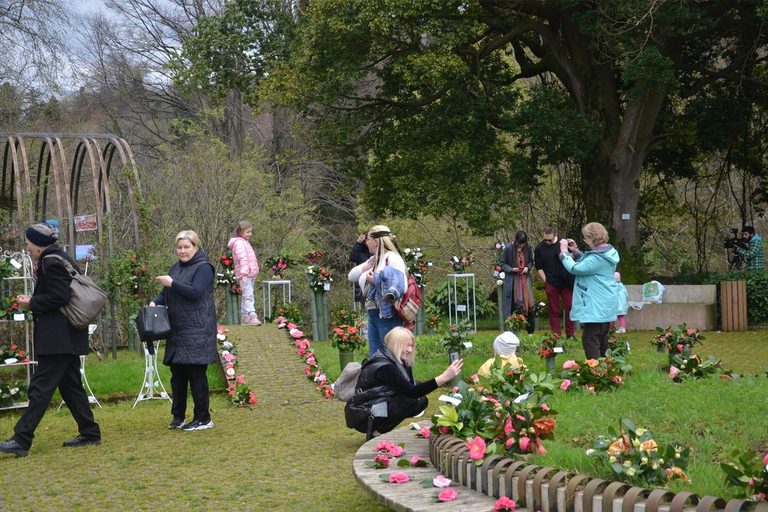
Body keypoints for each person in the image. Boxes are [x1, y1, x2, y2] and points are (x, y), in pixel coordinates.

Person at [0, 224, 101, 457]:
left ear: (37, 244)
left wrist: (31, 303)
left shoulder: (51, 261)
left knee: (40, 387)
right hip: (65, 336)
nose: (27, 247)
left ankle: (21, 438)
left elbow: (59, 297)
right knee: (71, 386)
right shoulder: (58, 257)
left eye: (28, 243)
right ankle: (90, 432)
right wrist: (34, 299)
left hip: (58, 337)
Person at [151, 230, 218, 431]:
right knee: (177, 376)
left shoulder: (204, 268)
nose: (182, 251)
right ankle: (177, 416)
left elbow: (196, 292)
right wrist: (155, 302)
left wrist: (172, 283)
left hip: (198, 329)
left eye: (186, 247)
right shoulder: (175, 268)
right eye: (179, 247)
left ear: (196, 247)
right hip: (178, 330)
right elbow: (166, 294)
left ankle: (203, 418)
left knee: (197, 376)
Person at [345, 327, 462, 437]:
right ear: (396, 345)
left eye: (412, 346)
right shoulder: (385, 367)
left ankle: (381, 428)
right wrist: (444, 377)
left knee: (421, 401)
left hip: (375, 406)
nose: (410, 350)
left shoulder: (395, 360)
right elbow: (411, 392)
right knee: (410, 400)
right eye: (407, 346)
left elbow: (411, 390)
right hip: (364, 416)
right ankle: (376, 432)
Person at [559, 222, 620, 359]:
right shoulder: (606, 253)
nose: (585, 240)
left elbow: (576, 269)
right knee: (602, 340)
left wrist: (564, 253)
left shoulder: (598, 258)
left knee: (590, 340)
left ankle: (595, 372)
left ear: (593, 238)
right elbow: (588, 265)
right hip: (604, 304)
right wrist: (576, 252)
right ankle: (606, 372)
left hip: (596, 305)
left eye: (586, 237)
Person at [348, 225, 407, 357]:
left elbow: (401, 286)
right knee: (375, 356)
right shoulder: (375, 259)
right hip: (374, 313)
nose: (366, 242)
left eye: (368, 239)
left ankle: (397, 378)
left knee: (392, 356)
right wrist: (368, 266)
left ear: (375, 241)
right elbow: (351, 276)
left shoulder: (392, 258)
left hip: (388, 314)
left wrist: (375, 280)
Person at [534, 225, 576, 341]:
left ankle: (570, 333)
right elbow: (539, 267)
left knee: (570, 306)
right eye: (545, 239)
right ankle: (556, 334)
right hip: (551, 282)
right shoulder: (539, 249)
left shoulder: (563, 244)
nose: (547, 242)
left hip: (565, 281)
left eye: (550, 240)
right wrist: (546, 281)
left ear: (555, 235)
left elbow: (572, 257)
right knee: (553, 309)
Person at [500, 230, 535, 334]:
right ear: (516, 241)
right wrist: (512, 269)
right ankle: (512, 331)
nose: (521, 246)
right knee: (512, 306)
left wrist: (527, 268)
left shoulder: (528, 248)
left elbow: (531, 262)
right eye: (519, 244)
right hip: (512, 281)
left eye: (523, 244)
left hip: (525, 280)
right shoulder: (508, 248)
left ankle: (530, 332)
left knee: (529, 305)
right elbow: (502, 264)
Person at [227, 221, 261, 325]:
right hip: (245, 274)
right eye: (247, 232)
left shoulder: (244, 242)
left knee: (247, 294)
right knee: (248, 295)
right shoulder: (239, 243)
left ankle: (245, 316)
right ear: (240, 231)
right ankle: (252, 315)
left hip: (249, 274)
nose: (250, 234)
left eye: (251, 232)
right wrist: (245, 273)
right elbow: (243, 259)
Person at [349, 232, 373, 309]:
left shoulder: (376, 252)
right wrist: (358, 243)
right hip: (362, 283)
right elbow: (352, 257)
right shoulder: (361, 252)